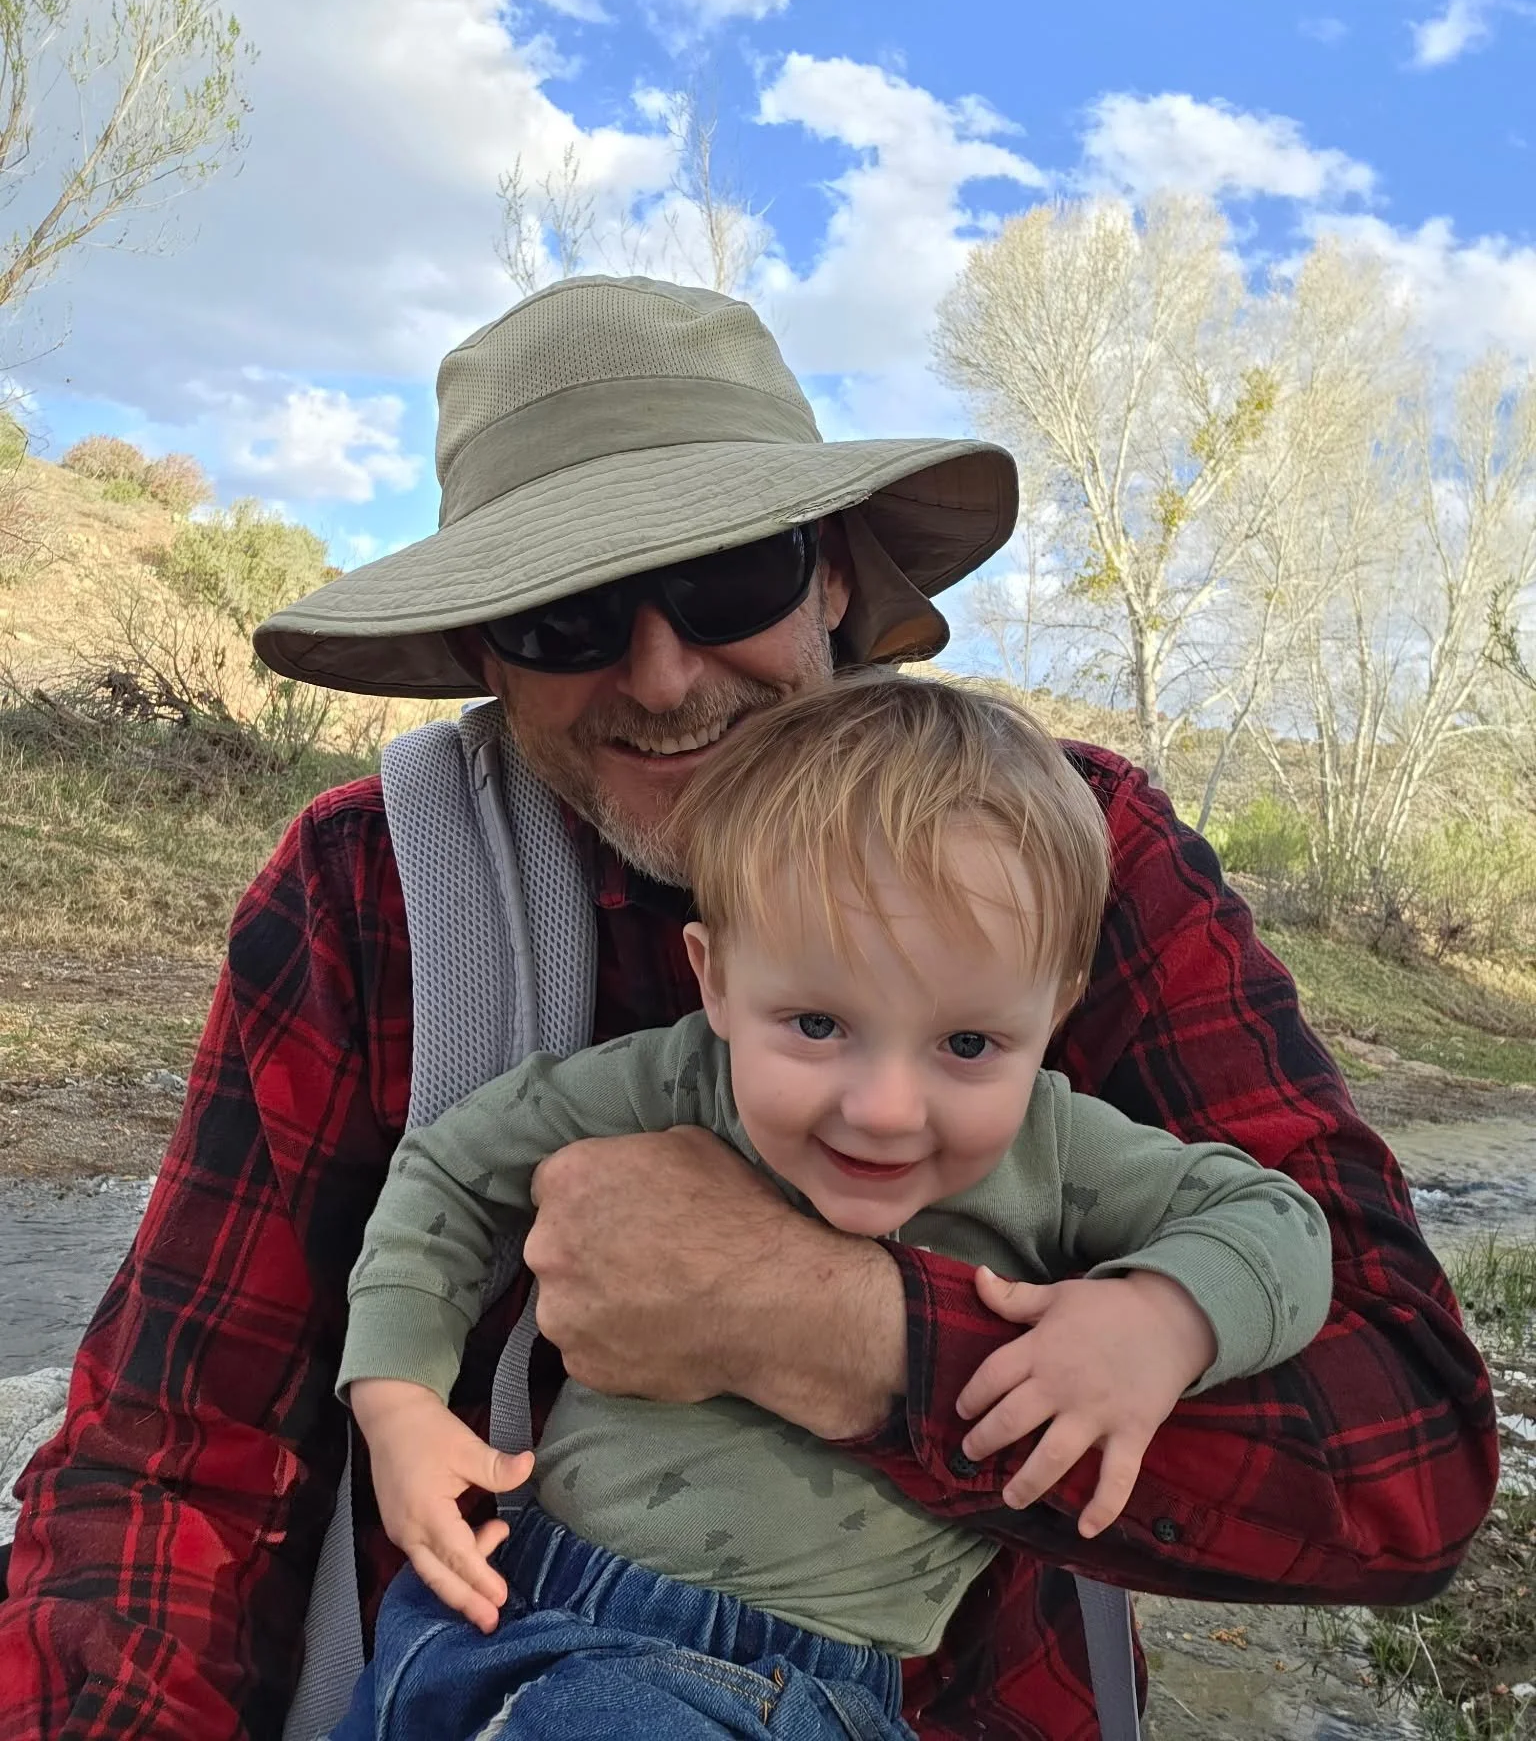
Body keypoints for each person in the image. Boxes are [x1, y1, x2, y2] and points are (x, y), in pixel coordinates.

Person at [0, 277, 1498, 1741]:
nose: (661, 675)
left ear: (831, 575)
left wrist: (840, 1329)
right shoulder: (364, 894)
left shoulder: (1069, 854)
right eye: (569, 615)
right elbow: (174, 1448)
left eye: (727, 579)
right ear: (484, 651)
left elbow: (1402, 1459)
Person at [328, 672, 1336, 1741]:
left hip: (780, 1690)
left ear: (1056, 1013)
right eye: (816, 1023)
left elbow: (1283, 1221)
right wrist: (396, 1398)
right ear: (715, 980)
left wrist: (1163, 1319)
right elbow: (450, 1167)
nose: (886, 1108)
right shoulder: (679, 1079)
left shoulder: (1059, 1147)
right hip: (485, 1601)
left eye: (967, 1044)